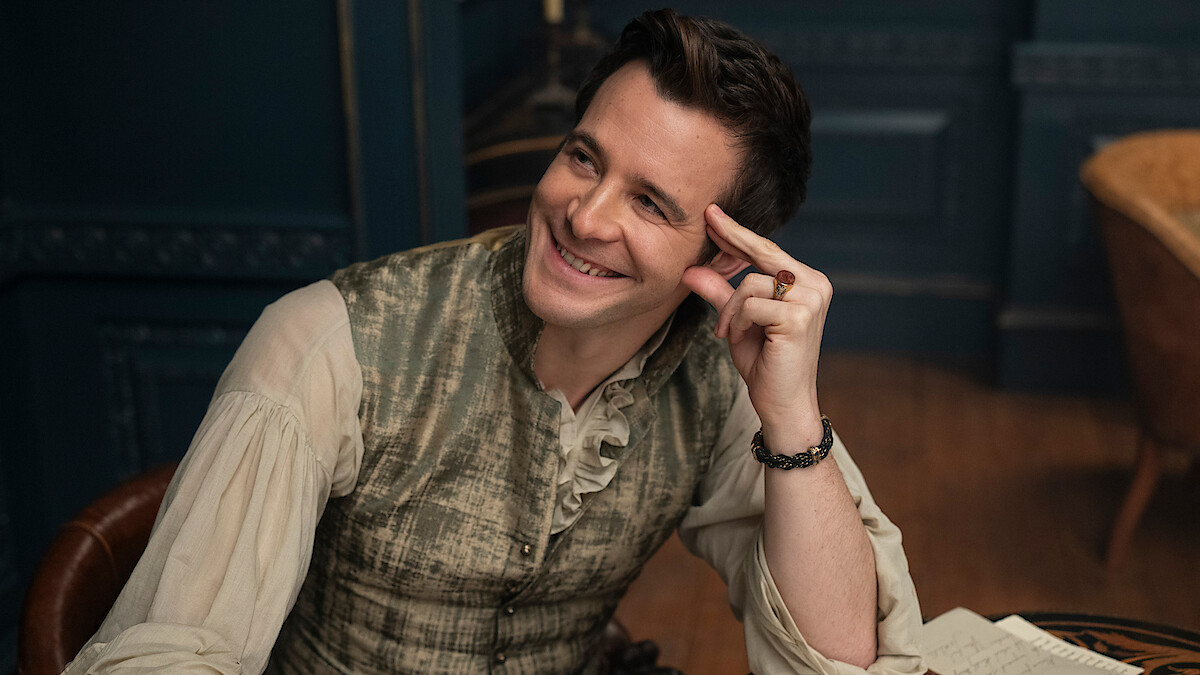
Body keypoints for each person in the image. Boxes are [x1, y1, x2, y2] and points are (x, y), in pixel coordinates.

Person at [66, 9, 923, 675]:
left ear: (724, 254)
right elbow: (171, 653)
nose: (584, 217)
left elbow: (839, 655)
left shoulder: (717, 379)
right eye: (585, 159)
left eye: (651, 204)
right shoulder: (329, 341)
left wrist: (792, 418)